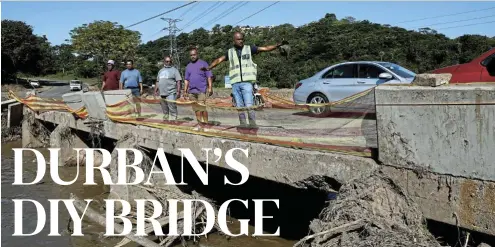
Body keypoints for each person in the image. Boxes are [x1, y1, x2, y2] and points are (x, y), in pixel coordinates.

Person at [203, 32, 285, 127]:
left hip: (247, 83)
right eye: (238, 39)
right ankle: (243, 123)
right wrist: (209, 67)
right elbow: (219, 60)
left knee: (249, 104)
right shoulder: (229, 52)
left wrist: (276, 45)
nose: (240, 41)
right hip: (235, 83)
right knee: (239, 105)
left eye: (242, 39)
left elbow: (265, 48)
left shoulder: (249, 48)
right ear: (234, 40)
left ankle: (252, 123)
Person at [184, 48, 213, 125]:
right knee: (196, 110)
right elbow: (186, 80)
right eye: (191, 55)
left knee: (202, 109)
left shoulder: (203, 63)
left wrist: (210, 88)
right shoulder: (188, 66)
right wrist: (185, 91)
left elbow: (209, 76)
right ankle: (200, 124)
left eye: (194, 54)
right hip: (191, 92)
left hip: (201, 91)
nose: (193, 56)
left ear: (197, 54)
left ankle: (206, 124)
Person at [154, 56, 182, 121]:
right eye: (167, 61)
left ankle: (173, 122)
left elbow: (178, 81)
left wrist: (178, 91)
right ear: (164, 62)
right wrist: (155, 91)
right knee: (164, 109)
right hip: (162, 93)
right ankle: (166, 122)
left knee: (172, 108)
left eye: (169, 61)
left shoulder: (175, 70)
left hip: (171, 93)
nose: (168, 62)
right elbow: (157, 81)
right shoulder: (160, 71)